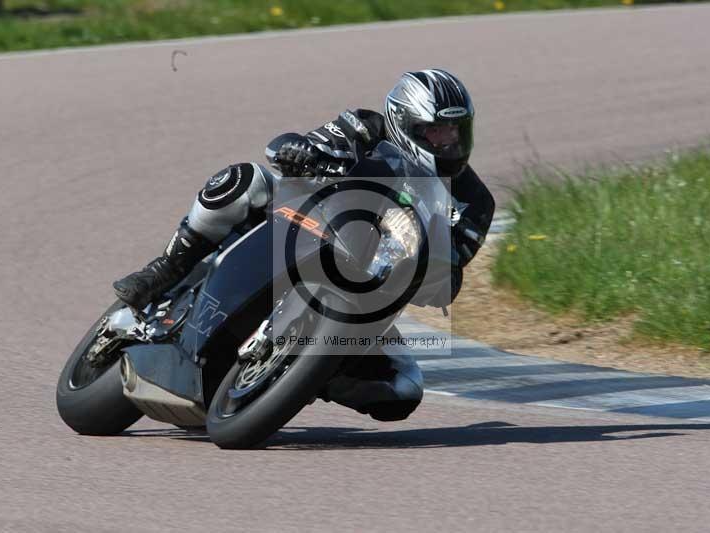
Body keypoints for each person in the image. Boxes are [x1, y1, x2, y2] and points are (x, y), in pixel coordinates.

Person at [113, 69, 495, 421]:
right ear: (403, 121)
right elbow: (304, 148)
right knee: (244, 181)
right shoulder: (364, 127)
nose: (448, 141)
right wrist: (302, 153)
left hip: (371, 291)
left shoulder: (474, 201)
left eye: (456, 131)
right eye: (435, 131)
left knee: (404, 389)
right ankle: (167, 269)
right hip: (305, 225)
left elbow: (453, 265)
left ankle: (309, 373)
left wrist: (442, 274)